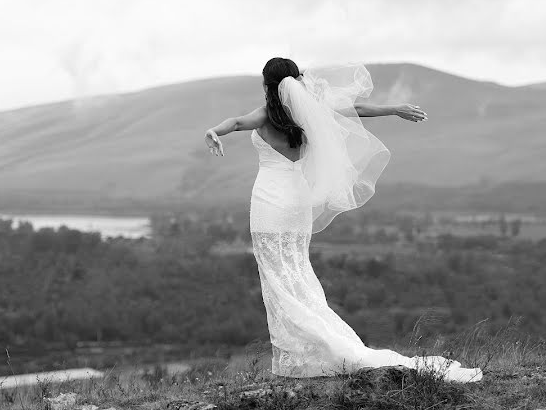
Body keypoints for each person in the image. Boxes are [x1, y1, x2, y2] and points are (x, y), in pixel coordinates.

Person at [204, 57, 482, 382]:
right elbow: (355, 109)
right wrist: (394, 108)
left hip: (270, 202)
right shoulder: (309, 112)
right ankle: (306, 352)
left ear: (267, 84)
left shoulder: (266, 114)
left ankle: (304, 355)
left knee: (276, 278)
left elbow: (237, 122)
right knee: (296, 271)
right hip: (297, 203)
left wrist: (213, 131)